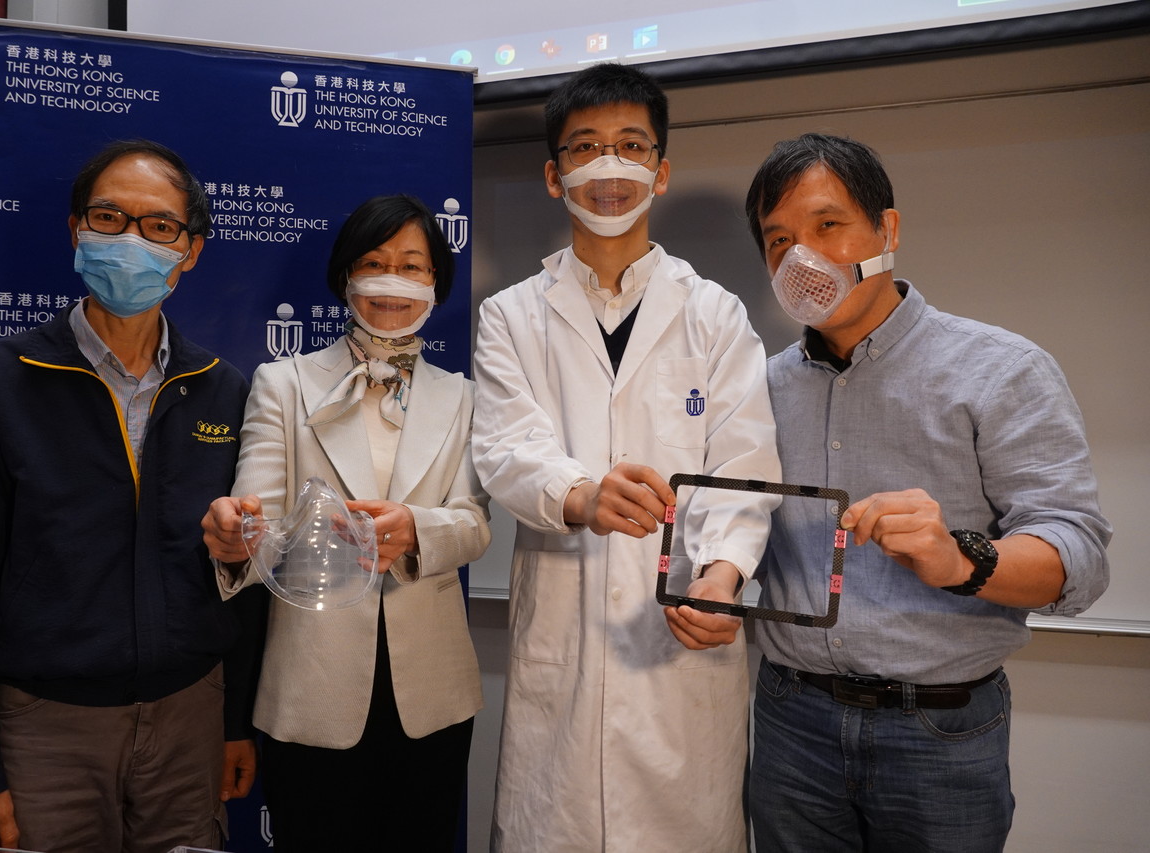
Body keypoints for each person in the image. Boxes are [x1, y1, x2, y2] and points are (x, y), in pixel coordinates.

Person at [733, 132, 1111, 851]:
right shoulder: (758, 386)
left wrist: (963, 559)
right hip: (790, 720)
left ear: (888, 230)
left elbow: (1079, 556)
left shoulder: (1002, 370)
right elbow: (735, 522)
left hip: (941, 729)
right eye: (779, 240)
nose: (802, 258)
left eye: (827, 225)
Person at [471, 63, 781, 852]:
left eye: (631, 146)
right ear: (554, 176)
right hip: (564, 645)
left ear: (660, 170)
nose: (609, 167)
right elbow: (506, 448)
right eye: (585, 147)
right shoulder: (511, 315)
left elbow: (745, 468)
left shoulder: (714, 314)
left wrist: (723, 576)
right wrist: (580, 494)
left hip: (680, 640)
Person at [0, 139, 252, 852]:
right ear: (76, 231)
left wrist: (235, 721)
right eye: (108, 217)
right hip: (45, 727)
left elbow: (242, 578)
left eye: (159, 225)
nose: (130, 240)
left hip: (191, 718)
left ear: (190, 251)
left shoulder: (222, 389)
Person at [201, 194, 491, 852]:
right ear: (345, 278)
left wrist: (416, 529)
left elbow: (475, 524)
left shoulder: (465, 396)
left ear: (436, 282)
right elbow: (256, 516)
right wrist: (238, 536)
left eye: (412, 266)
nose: (393, 281)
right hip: (312, 682)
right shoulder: (283, 383)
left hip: (433, 690)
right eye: (374, 263)